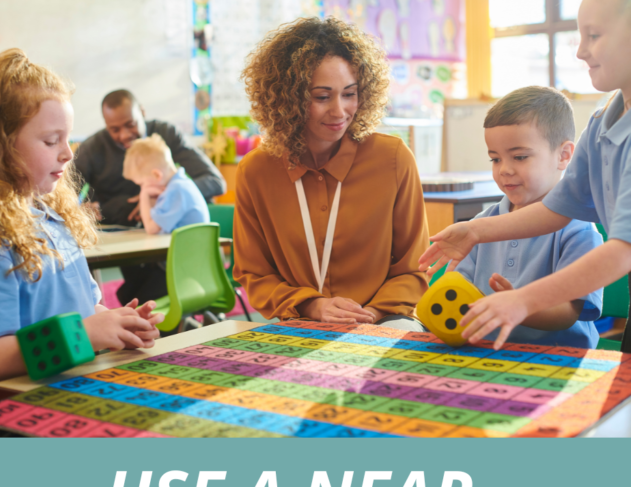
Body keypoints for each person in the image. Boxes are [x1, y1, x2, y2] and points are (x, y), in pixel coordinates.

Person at [0, 49, 162, 436]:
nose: (68, 153)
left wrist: (114, 322)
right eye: (51, 141)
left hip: (62, 397)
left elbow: (82, 307)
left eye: (68, 138)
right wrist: (86, 332)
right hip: (3, 419)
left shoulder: (53, 216)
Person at [420, 0, 631, 352]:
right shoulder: (601, 122)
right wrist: (475, 230)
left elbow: (622, 251)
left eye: (593, 36)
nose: (580, 51)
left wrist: (523, 301)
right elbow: (559, 208)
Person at [233, 17, 429, 327]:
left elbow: (413, 268)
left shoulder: (393, 159)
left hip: (385, 319)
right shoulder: (255, 171)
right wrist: (312, 306)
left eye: (349, 94)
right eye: (321, 97)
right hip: (298, 317)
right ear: (289, 100)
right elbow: (254, 273)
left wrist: (371, 315)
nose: (339, 111)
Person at [453, 86, 603, 348]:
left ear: (564, 155)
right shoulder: (480, 225)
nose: (505, 170)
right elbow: (458, 294)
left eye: (520, 157)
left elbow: (568, 313)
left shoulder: (578, 231)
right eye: (495, 159)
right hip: (487, 354)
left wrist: (520, 304)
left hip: (560, 360)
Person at [74, 89, 224, 304]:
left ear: (142, 112)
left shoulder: (163, 135)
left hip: (170, 237)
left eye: (130, 124)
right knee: (131, 295)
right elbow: (64, 198)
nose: (124, 135)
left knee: (147, 296)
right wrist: (87, 209)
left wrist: (170, 195)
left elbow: (215, 181)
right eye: (114, 129)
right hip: (122, 237)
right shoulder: (92, 149)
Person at [122, 134, 210, 235]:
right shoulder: (181, 183)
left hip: (189, 250)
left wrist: (144, 196)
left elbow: (151, 229)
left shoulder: (175, 190)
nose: (142, 188)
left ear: (156, 175)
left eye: (142, 184)